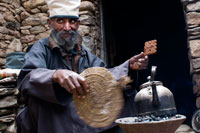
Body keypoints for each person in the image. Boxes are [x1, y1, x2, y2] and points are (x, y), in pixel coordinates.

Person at [16, 0, 148, 132]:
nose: (67, 27)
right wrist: (55, 75)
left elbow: (105, 75)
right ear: (50, 23)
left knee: (128, 96)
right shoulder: (41, 48)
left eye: (72, 21)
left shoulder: (83, 53)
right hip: (55, 114)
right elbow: (28, 77)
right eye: (60, 21)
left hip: (80, 110)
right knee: (54, 106)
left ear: (78, 24)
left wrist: (129, 66)